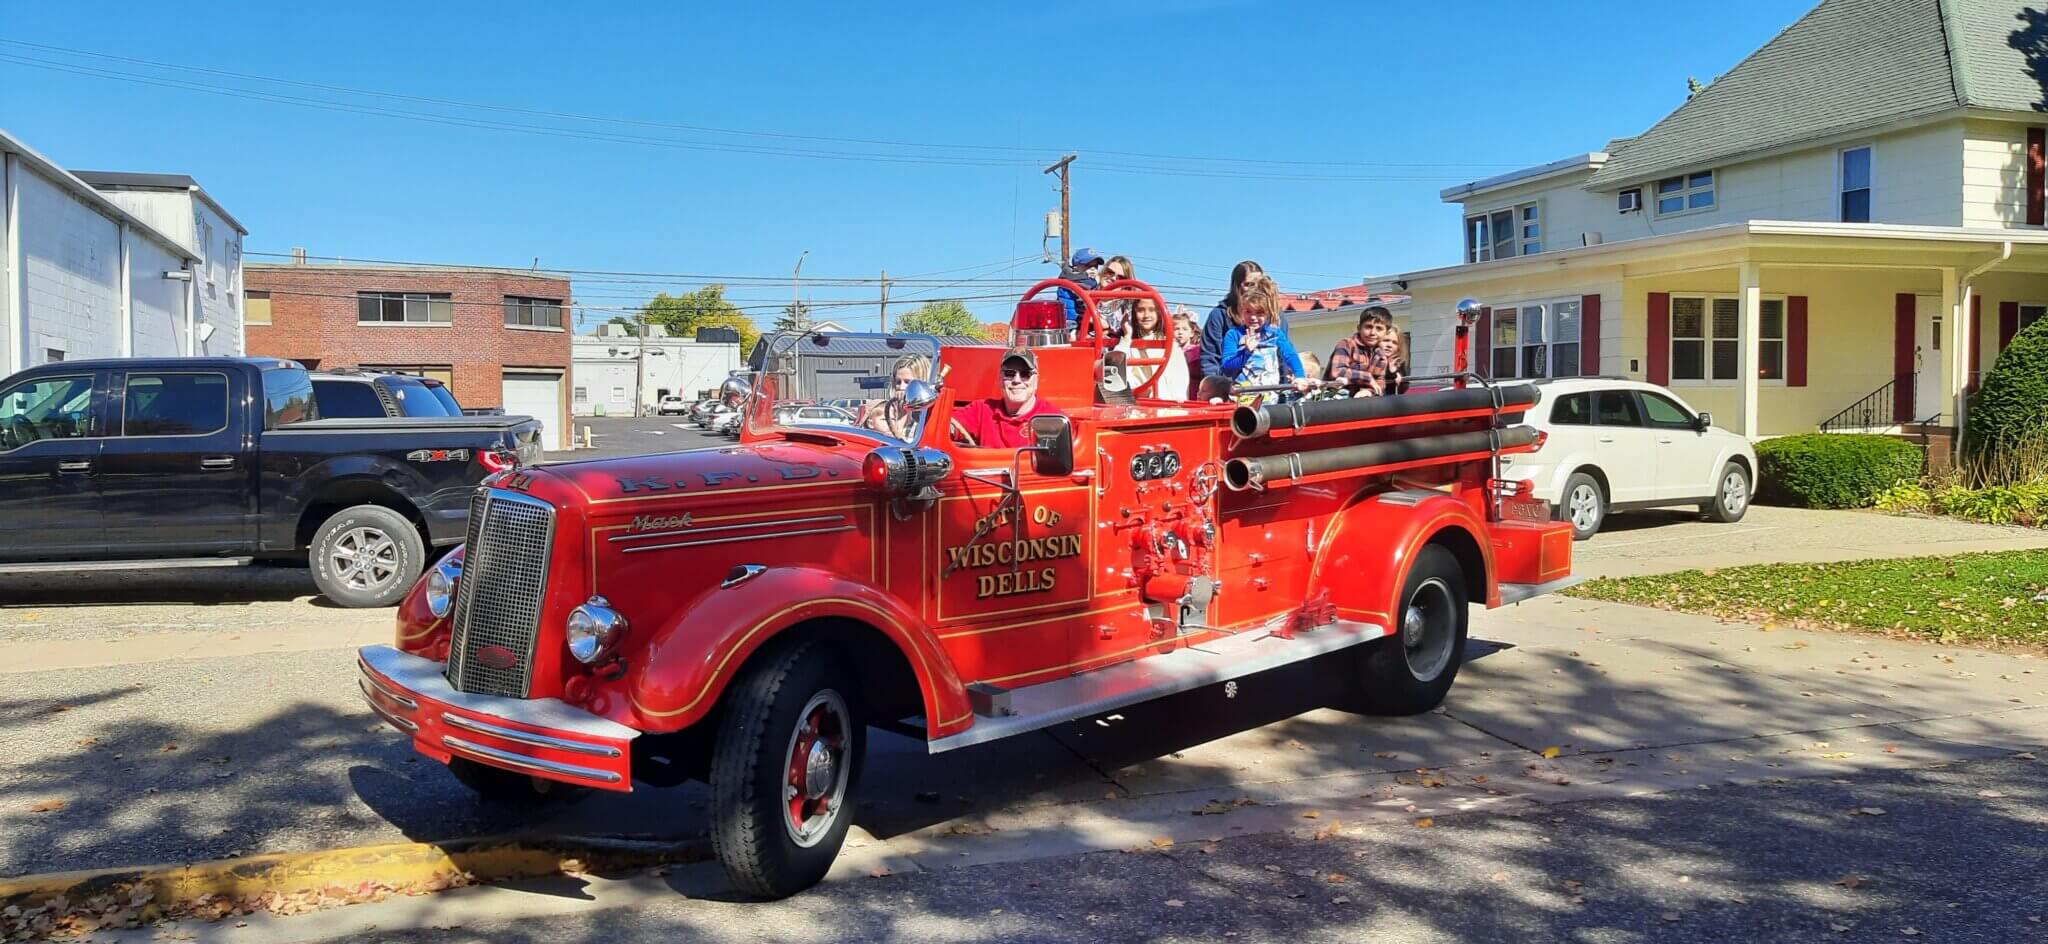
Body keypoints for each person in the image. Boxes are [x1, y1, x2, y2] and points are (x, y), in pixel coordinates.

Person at [951, 348, 1067, 448]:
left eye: (1025, 374)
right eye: (1009, 374)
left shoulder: (1053, 418)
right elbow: (948, 428)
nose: (1016, 380)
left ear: (1036, 380)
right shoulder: (981, 410)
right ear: (1001, 379)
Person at [1219, 281, 1314, 401]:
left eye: (1259, 313)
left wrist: (1300, 376)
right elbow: (1227, 369)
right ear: (1241, 311)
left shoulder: (1275, 333)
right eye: (1248, 311)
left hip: (1270, 398)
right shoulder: (1233, 335)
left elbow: (1290, 355)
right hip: (1243, 399)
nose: (1253, 317)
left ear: (1267, 314)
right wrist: (1246, 352)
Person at [1199, 261, 1267, 381]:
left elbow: (1283, 355)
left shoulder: (1275, 316)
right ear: (1236, 286)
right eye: (1249, 284)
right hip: (1232, 390)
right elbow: (1210, 358)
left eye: (1259, 284)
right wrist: (1217, 388)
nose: (1255, 289)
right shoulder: (1219, 316)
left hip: (1269, 390)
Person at [1113, 295, 1190, 400]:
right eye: (1140, 310)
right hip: (1137, 404)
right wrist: (1127, 336)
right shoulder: (1129, 343)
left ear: (1159, 313)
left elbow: (1179, 381)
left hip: (1164, 404)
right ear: (1134, 314)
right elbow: (1114, 370)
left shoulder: (1170, 345)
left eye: (1152, 310)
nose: (1146, 315)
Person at [1326, 305, 1395, 397]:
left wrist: (1369, 391)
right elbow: (1337, 371)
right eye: (1368, 327)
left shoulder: (1380, 356)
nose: (1372, 333)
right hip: (1333, 399)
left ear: (1386, 333)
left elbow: (1379, 384)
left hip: (1360, 403)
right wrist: (1367, 378)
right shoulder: (1347, 345)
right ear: (1359, 328)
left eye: (1379, 328)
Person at [862, 354, 929, 439]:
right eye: (898, 382)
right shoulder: (885, 410)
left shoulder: (927, 416)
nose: (901, 387)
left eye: (908, 382)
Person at [1057, 249, 1105, 335]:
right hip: (1072, 322)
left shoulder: (1070, 278)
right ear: (1076, 268)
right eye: (1088, 266)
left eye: (1096, 266)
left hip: (1076, 320)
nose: (1093, 269)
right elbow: (1085, 303)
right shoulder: (1076, 281)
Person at [1097, 256, 1135, 339]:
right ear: (1103, 271)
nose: (1113, 278)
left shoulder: (1127, 306)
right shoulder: (1086, 295)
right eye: (1110, 272)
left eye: (1120, 277)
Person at [1172, 308, 1203, 400]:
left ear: (1192, 333)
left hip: (1192, 391)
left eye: (1185, 329)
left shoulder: (1197, 351)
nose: (1180, 332)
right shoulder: (1169, 352)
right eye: (1176, 329)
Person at [1378, 330, 1410, 395]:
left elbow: (1404, 389)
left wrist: (1393, 370)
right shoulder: (1369, 359)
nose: (1390, 345)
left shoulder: (1399, 362)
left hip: (1390, 401)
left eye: (1394, 343)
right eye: (1386, 340)